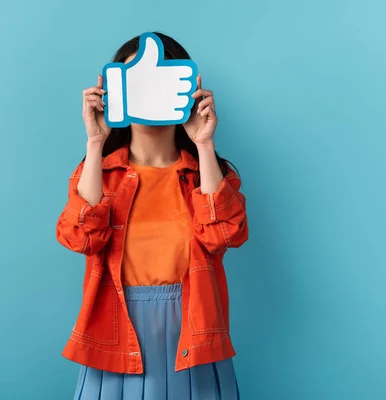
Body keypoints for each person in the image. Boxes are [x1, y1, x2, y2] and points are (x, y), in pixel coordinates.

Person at [55, 32, 248, 400]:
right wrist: (95, 143)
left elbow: (224, 235)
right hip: (116, 328)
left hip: (194, 331)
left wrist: (204, 143)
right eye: (134, 83)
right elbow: (81, 239)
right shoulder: (99, 174)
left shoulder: (207, 175)